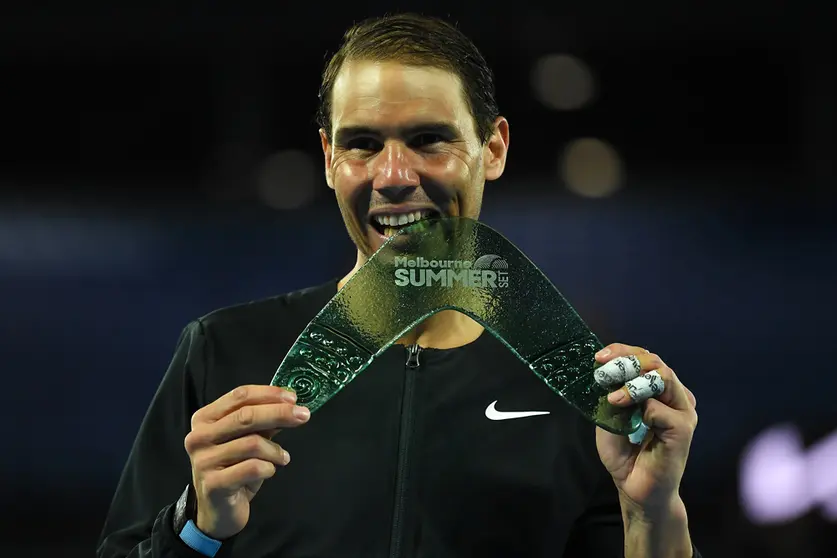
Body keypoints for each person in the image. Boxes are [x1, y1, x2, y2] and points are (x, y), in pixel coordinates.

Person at [97, 13, 701, 558]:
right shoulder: (224, 352)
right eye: (362, 144)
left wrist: (653, 512)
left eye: (428, 139)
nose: (392, 176)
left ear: (492, 148)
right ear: (330, 159)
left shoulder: (576, 391)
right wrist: (197, 527)